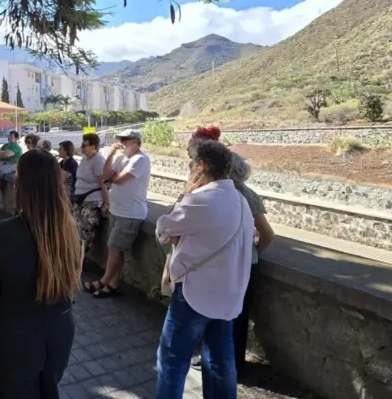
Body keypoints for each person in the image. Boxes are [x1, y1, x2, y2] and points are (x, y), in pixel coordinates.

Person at [0, 149, 82, 398]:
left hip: (17, 335)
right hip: (60, 330)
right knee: (49, 390)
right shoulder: (72, 229)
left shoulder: (0, 234)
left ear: (21, 184)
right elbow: (72, 277)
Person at [154, 139, 255, 399]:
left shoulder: (201, 198)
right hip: (228, 296)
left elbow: (164, 229)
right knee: (220, 361)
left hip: (194, 294)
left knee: (172, 360)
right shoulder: (241, 201)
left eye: (193, 164)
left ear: (201, 165)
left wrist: (186, 193)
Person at [190, 126, 276, 373]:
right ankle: (232, 364)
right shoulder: (249, 194)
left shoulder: (222, 194)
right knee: (238, 316)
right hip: (246, 263)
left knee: (217, 315)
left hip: (228, 264)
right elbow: (268, 236)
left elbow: (267, 234)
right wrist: (253, 253)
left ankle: (216, 363)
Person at [84, 129, 151, 298]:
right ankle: (113, 285)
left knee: (114, 249)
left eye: (124, 139)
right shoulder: (121, 157)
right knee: (115, 250)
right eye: (120, 139)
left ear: (135, 142)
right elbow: (104, 176)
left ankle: (103, 282)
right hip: (117, 209)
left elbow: (119, 179)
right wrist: (111, 154)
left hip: (130, 213)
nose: (121, 142)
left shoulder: (141, 159)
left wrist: (111, 177)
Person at [73, 133, 110, 261]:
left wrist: (106, 203)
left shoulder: (98, 160)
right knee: (76, 231)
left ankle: (80, 260)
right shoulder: (84, 159)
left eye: (84, 145)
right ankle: (75, 259)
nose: (81, 147)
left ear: (93, 146)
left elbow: (103, 183)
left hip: (92, 200)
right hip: (79, 199)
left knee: (86, 232)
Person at [0, 131, 22, 196]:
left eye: (11, 136)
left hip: (12, 164)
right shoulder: (6, 145)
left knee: (0, 171)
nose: (9, 137)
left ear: (16, 138)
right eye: (9, 136)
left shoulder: (17, 147)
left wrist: (2, 153)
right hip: (3, 162)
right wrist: (2, 153)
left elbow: (6, 154)